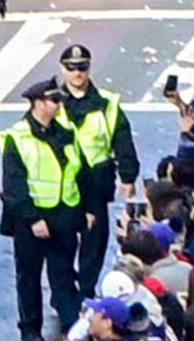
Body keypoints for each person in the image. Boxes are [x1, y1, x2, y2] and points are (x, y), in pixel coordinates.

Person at [0, 84, 85, 341]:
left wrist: (85, 211)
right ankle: (30, 328)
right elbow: (14, 185)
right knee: (29, 275)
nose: (59, 105)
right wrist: (33, 218)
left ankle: (72, 327)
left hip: (63, 215)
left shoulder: (67, 133)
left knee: (63, 273)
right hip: (30, 220)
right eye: (54, 99)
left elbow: (79, 173)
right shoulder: (18, 137)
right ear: (37, 103)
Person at [53, 42, 134, 287]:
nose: (77, 73)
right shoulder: (51, 102)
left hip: (96, 183)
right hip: (63, 184)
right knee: (62, 243)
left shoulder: (107, 103)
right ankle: (65, 294)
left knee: (94, 243)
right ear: (62, 69)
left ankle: (86, 290)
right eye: (71, 68)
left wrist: (128, 176)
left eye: (82, 67)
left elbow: (122, 139)